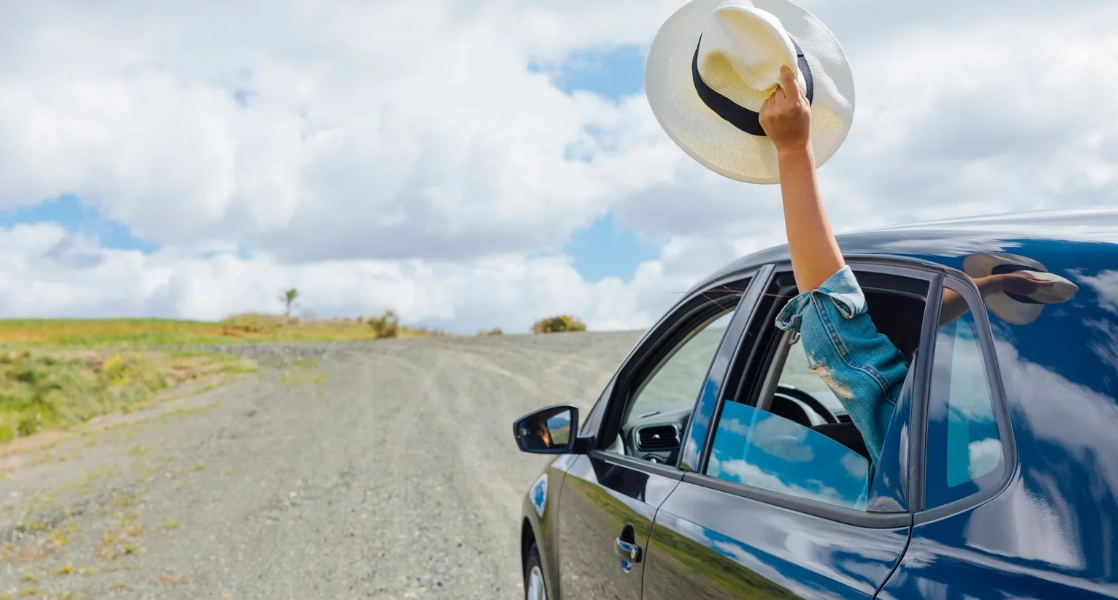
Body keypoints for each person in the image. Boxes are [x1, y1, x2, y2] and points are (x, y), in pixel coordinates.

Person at [758, 65, 1052, 466]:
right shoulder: (1032, 433)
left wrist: (792, 152)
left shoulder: (915, 436)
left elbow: (836, 328)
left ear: (906, 354)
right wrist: (987, 286)